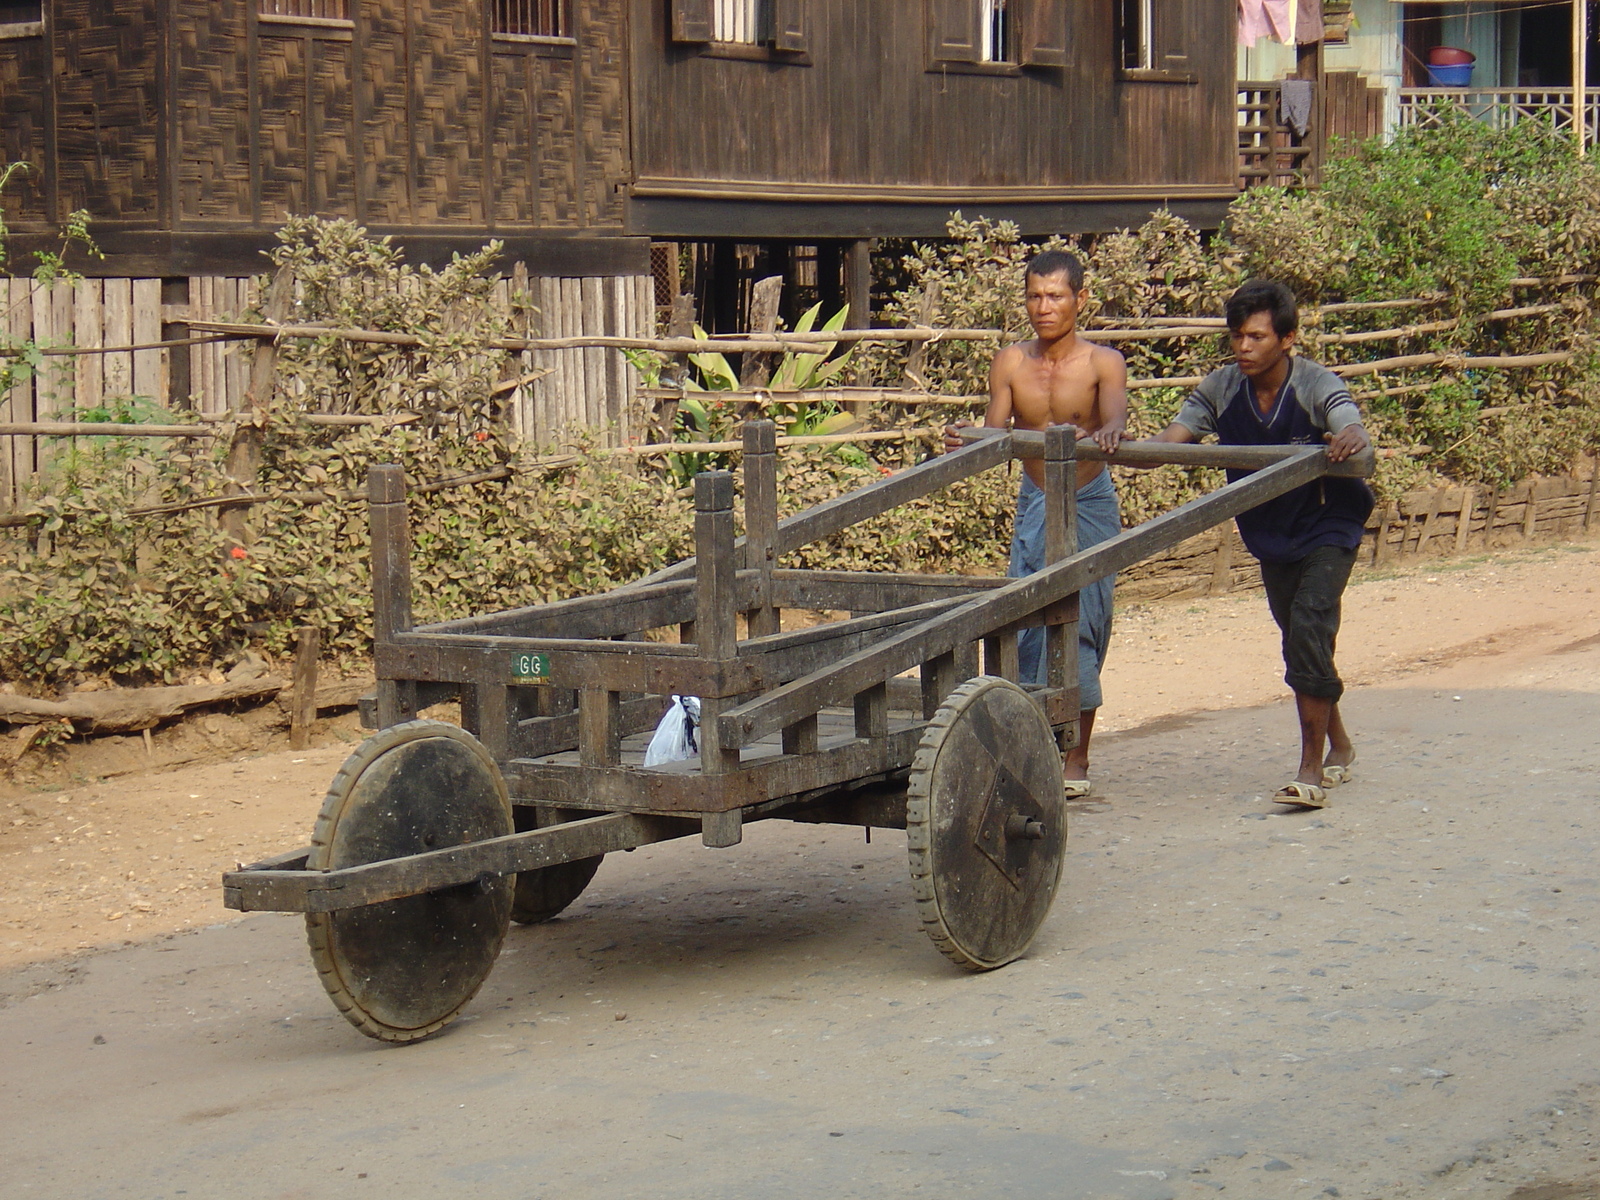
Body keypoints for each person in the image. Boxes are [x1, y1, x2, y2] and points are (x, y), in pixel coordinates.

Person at [1136, 279, 1371, 808]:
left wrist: (1351, 438)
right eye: (1238, 337)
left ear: (1287, 338)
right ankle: (1342, 746)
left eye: (1257, 337)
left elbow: (1347, 421)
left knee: (1310, 622)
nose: (1244, 348)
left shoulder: (1314, 383)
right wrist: (1111, 445)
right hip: (1270, 531)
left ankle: (1310, 768)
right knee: (1299, 637)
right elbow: (1169, 446)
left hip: (1328, 522)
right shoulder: (1221, 388)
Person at [944, 250, 1127, 797]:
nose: (1043, 307)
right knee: (1026, 621)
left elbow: (1116, 415)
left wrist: (1114, 432)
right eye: (1034, 296)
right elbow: (994, 431)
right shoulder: (1010, 363)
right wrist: (962, 440)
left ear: (1080, 300)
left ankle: (1079, 756)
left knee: (1084, 620)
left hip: (1089, 499)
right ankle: (1037, 744)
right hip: (1036, 499)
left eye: (1055, 296)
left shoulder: (1103, 362)